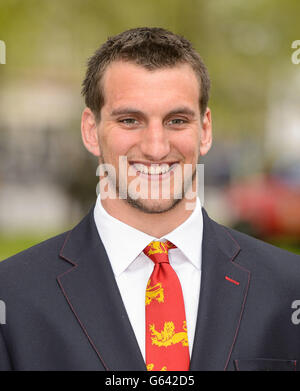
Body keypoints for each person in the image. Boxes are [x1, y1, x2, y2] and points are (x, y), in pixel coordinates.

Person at [0, 27, 300, 372]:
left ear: (205, 130)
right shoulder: (12, 296)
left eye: (176, 120)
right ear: (90, 130)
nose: (156, 148)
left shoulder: (289, 288)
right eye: (130, 120)